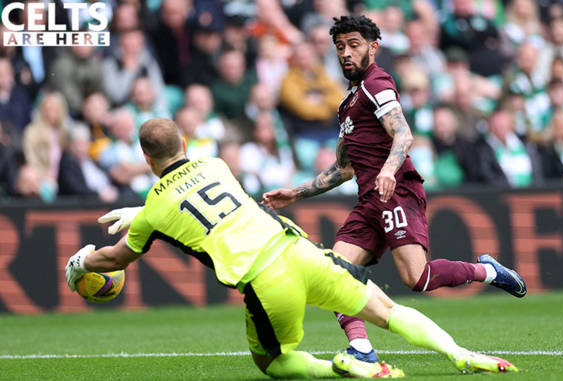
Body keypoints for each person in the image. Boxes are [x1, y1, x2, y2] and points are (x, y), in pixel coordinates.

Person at [65, 117, 519, 379]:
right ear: (185, 143)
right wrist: (142, 210)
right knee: (387, 309)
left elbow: (115, 257)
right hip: (299, 249)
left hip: (264, 282)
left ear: (146, 159)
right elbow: (191, 192)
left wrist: (79, 262)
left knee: (271, 361)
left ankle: (341, 369)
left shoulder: (153, 212)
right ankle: (461, 353)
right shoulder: (216, 163)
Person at [262, 15, 527, 363]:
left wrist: (388, 171)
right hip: (369, 199)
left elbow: (403, 134)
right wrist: (296, 193)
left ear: (373, 47)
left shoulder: (378, 83)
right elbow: (344, 168)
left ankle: (490, 271)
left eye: (354, 45)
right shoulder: (348, 102)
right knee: (334, 274)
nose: (346, 53)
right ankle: (361, 348)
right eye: (340, 46)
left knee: (418, 278)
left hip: (396, 192)